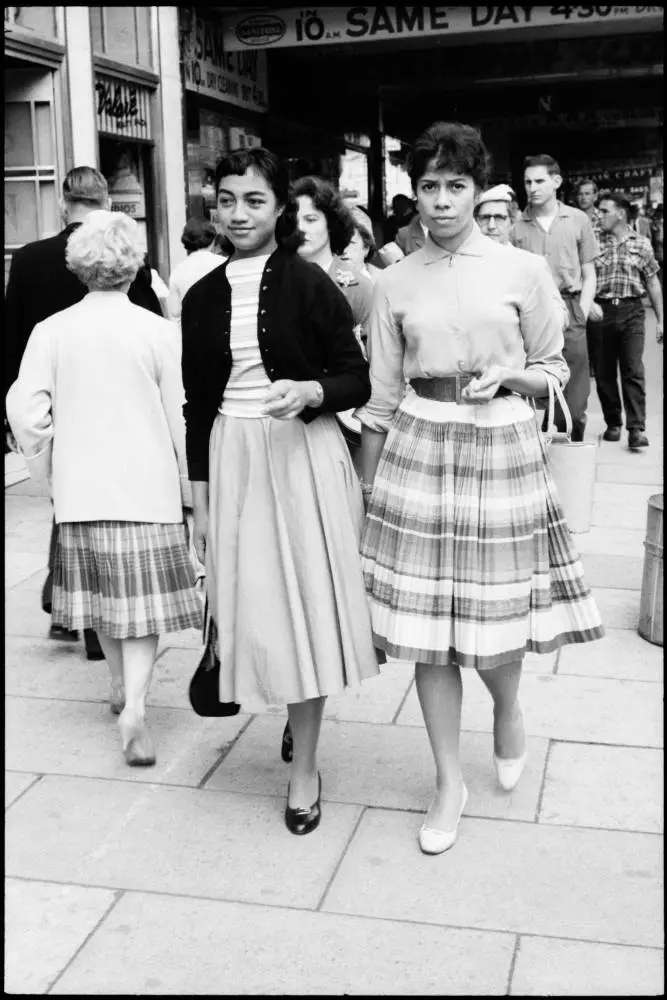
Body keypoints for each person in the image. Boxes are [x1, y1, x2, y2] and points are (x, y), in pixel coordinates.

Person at [356, 121, 604, 857]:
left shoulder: (519, 270)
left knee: (494, 623)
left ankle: (506, 708)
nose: (440, 200)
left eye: (454, 185)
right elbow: (378, 394)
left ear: (477, 188)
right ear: (415, 190)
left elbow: (555, 368)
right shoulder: (392, 279)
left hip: (498, 441)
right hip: (418, 446)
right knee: (430, 641)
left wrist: (513, 378)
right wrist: (366, 488)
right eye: (428, 185)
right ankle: (444, 781)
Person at [180, 147, 379, 836]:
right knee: (254, 610)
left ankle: (305, 766)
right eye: (227, 199)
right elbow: (196, 406)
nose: (238, 213)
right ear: (214, 206)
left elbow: (357, 379)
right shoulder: (200, 295)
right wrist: (199, 504)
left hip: (301, 455)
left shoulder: (308, 283)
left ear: (277, 209)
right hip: (231, 457)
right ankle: (290, 714)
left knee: (307, 612)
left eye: (254, 200)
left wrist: (313, 391)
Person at [6, 210, 201, 766]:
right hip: (149, 489)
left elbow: (25, 408)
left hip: (82, 487)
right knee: (140, 606)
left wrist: (45, 465)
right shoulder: (160, 333)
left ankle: (118, 687)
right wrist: (191, 490)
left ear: (78, 265)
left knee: (103, 601)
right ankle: (135, 704)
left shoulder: (52, 331)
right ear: (133, 263)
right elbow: (181, 417)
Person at [4, 166, 162, 660]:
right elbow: (152, 323)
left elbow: (11, 338)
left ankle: (69, 602)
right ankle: (90, 620)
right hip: (119, 404)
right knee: (101, 516)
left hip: (55, 398)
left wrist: (15, 419)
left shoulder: (29, 259)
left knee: (71, 508)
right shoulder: (126, 254)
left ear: (62, 203)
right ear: (107, 199)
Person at [511, 153, 601, 441]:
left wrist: (583, 310)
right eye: (527, 182)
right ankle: (541, 445)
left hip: (571, 304)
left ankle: (572, 440)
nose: (533, 187)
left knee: (575, 383)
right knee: (535, 377)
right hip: (532, 309)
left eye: (539, 181)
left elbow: (589, 272)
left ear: (556, 182)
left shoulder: (577, 219)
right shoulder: (516, 226)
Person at [589, 190, 663, 450]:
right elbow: (584, 276)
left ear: (620, 213)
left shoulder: (641, 243)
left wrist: (662, 319)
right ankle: (613, 422)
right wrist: (589, 302)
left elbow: (652, 281)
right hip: (601, 312)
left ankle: (636, 428)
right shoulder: (593, 241)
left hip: (632, 311)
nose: (600, 215)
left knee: (633, 369)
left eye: (605, 211)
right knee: (604, 372)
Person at [292, 175, 374, 353]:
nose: (300, 228)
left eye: (311, 219)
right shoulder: (275, 281)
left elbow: (379, 361)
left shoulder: (358, 287)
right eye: (294, 220)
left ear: (330, 223)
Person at [475, 184, 568, 331]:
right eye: (485, 218)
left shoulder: (531, 265)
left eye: (499, 218)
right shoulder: (464, 264)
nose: (491, 225)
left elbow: (559, 317)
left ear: (512, 222)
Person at [167, 218, 225, 325]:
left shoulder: (178, 270)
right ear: (212, 240)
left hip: (191, 330)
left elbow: (175, 311)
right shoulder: (224, 264)